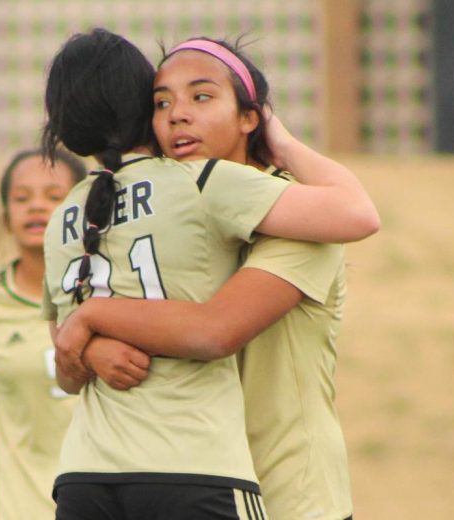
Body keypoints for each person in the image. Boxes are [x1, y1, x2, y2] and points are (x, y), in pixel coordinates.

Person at [40, 29, 377, 520]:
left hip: (293, 495)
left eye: (202, 96)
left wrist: (281, 142)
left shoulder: (302, 222)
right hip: (201, 479)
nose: (177, 113)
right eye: (159, 102)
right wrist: (89, 347)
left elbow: (213, 328)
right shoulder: (170, 206)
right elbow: (63, 344)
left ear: (249, 117)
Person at [0, 148, 86, 519]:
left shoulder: (115, 295)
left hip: (99, 505)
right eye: (22, 198)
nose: (36, 207)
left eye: (54, 197)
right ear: (5, 217)